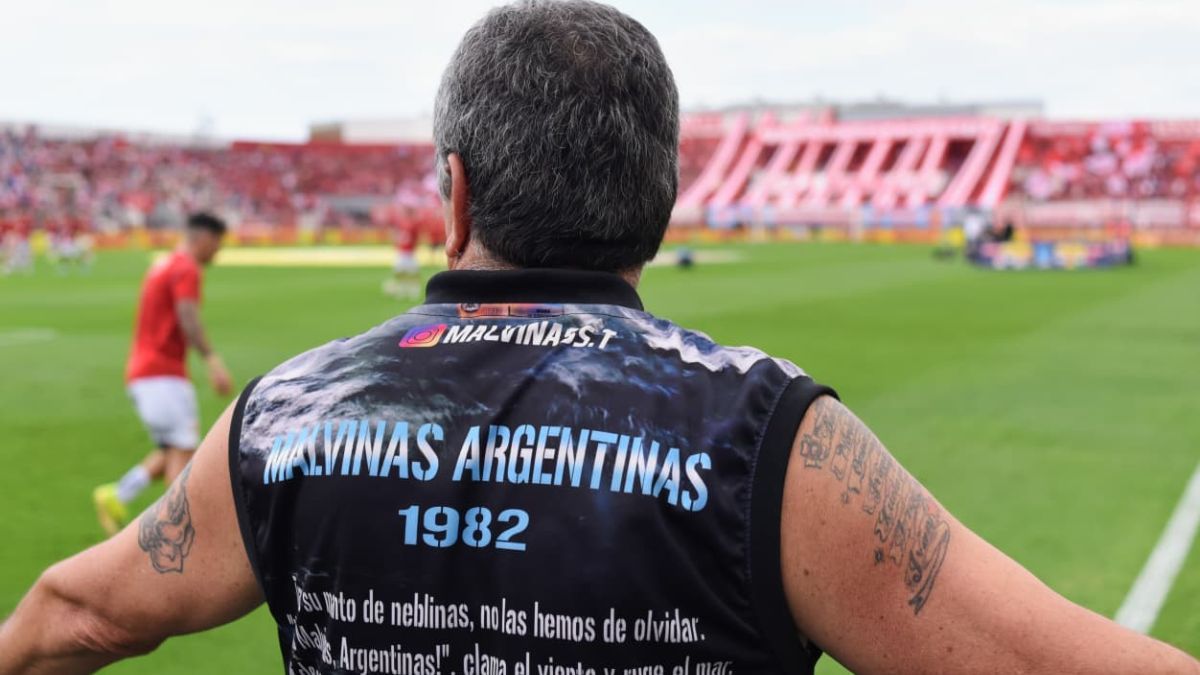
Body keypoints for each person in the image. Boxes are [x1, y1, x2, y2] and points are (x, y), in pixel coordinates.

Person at [1, 3, 1198, 674]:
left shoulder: (288, 417)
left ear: (456, 195)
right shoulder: (770, 437)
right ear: (660, 204)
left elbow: (79, 615)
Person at [91, 212, 234, 536]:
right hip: (162, 374)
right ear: (205, 238)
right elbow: (187, 315)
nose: (218, 252)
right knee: (184, 454)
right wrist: (212, 360)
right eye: (218, 244)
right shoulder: (185, 268)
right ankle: (175, 531)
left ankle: (116, 495)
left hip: (145, 373)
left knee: (172, 448)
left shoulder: (164, 264)